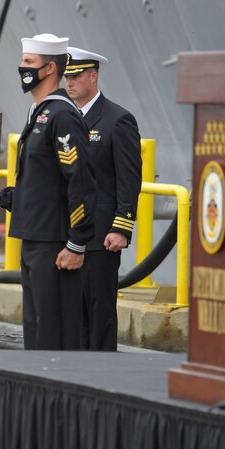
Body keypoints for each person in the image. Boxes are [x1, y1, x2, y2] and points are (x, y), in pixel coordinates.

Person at [0, 34, 97, 350]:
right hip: (33, 237)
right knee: (36, 329)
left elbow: (79, 181)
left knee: (53, 332)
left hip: (54, 243)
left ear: (50, 68)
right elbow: (38, 185)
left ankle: (58, 397)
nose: (21, 68)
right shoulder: (39, 113)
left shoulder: (62, 115)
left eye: (28, 62)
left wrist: (77, 243)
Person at [64, 47, 142, 351]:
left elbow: (128, 177)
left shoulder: (117, 120)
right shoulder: (64, 117)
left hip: (100, 236)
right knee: (71, 313)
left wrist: (121, 226)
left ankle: (101, 371)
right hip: (70, 233)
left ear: (93, 76)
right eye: (67, 77)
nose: (69, 83)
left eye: (76, 76)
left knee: (98, 312)